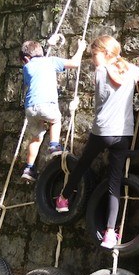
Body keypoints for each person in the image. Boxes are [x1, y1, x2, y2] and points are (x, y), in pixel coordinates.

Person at [53, 35, 139, 249]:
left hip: (102, 131)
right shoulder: (130, 70)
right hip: (123, 134)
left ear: (105, 53)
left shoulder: (101, 71)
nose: (93, 59)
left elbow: (103, 93)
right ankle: (111, 233)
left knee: (83, 164)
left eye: (94, 55)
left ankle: (64, 199)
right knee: (114, 182)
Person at [20, 39, 87, 182]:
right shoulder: (51, 61)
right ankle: (54, 145)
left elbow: (30, 81)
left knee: (36, 138)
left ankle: (29, 168)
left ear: (26, 58)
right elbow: (74, 64)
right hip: (46, 104)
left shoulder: (27, 67)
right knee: (55, 119)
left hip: (30, 108)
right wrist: (81, 48)